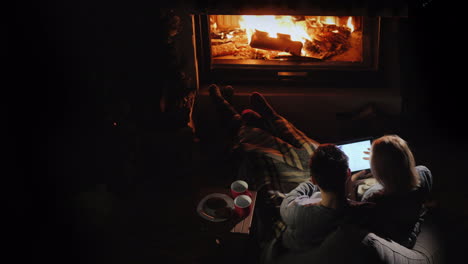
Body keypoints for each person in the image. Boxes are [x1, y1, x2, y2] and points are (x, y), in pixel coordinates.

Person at [279, 144, 372, 251]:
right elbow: (350, 206)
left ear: (314, 180)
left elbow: (288, 200)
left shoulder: (298, 212)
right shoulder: (364, 212)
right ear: (348, 173)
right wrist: (350, 183)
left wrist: (313, 181)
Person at [349, 134, 433, 248]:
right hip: (410, 218)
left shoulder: (372, 197)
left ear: (377, 169)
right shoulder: (424, 172)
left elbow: (356, 222)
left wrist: (351, 184)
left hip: (399, 241)